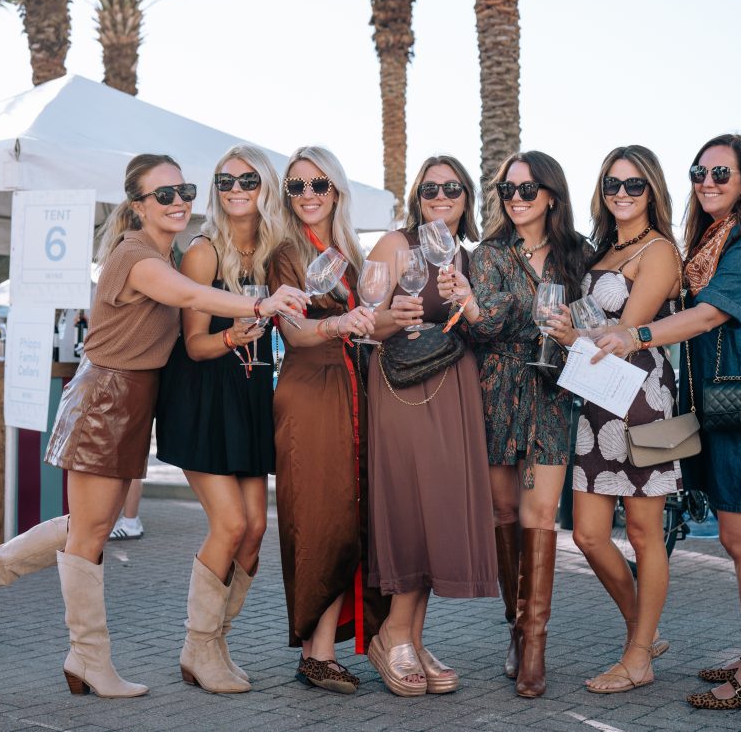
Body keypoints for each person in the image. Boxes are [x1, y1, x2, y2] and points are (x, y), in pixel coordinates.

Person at [0, 153, 308, 698]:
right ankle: (86, 657)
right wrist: (262, 306)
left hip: (132, 401)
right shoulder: (136, 254)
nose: (179, 200)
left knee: (86, 526)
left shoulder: (171, 250)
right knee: (89, 531)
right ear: (137, 206)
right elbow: (189, 297)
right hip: (107, 397)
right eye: (163, 195)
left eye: (182, 190)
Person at [592, 134, 741, 710]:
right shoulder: (716, 241)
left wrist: (634, 335)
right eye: (699, 172)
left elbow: (708, 314)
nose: (707, 182)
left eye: (721, 174)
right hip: (731, 408)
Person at [437, 150, 590, 698]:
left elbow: (588, 322)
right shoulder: (489, 253)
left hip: (550, 395)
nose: (517, 199)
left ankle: (534, 648)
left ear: (551, 193)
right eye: (508, 190)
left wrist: (499, 311)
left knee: (540, 514)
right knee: (504, 513)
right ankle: (515, 626)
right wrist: (502, 314)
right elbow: (477, 329)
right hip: (497, 393)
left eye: (528, 190)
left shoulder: (579, 254)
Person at [546, 145, 681, 694]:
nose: (621, 194)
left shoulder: (660, 251)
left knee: (647, 535)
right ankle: (641, 635)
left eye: (634, 185)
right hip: (596, 401)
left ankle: (637, 658)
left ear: (652, 191)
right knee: (588, 533)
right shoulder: (604, 248)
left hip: (644, 400)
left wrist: (568, 336)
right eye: (612, 184)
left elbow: (627, 333)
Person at [362, 156, 499, 696]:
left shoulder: (466, 257)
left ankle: (413, 637)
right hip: (402, 389)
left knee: (437, 508)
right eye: (430, 188)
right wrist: (391, 316)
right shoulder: (396, 246)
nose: (441, 195)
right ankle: (391, 633)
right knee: (410, 506)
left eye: (452, 187)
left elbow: (483, 326)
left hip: (453, 390)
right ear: (416, 196)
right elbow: (361, 321)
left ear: (466, 198)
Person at [154, 144, 284, 693]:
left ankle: (211, 642)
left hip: (250, 393)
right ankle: (198, 645)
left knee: (255, 531)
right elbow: (195, 344)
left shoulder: (276, 251)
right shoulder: (204, 253)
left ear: (265, 186)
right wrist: (238, 332)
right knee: (230, 525)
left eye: (248, 179)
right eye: (225, 179)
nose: (235, 188)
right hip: (203, 398)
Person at [267, 146, 390, 694]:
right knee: (321, 520)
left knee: (350, 516)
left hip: (353, 390)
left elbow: (371, 318)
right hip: (311, 392)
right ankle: (314, 653)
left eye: (318, 184)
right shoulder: (285, 254)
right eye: (297, 187)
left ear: (336, 190)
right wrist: (341, 322)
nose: (308, 195)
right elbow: (292, 332)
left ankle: (325, 650)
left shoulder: (348, 254)